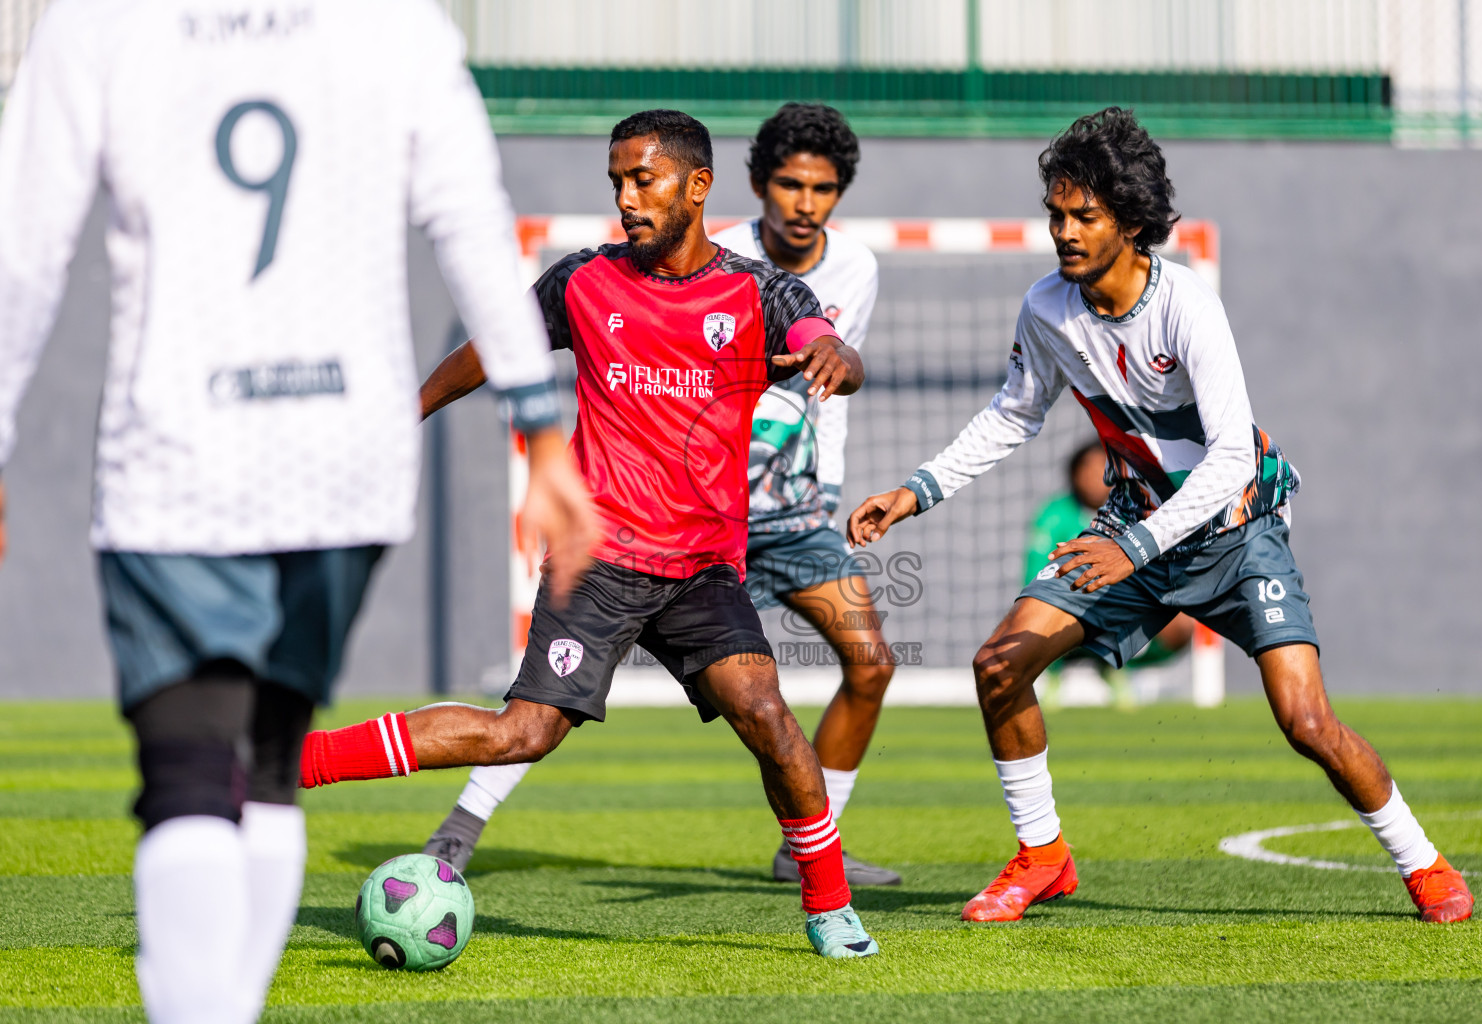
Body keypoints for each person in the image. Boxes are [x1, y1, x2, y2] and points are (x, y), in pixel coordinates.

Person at [0, 2, 593, 1021]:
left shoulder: (94, 21)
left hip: (175, 450)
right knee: (270, 758)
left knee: (190, 765)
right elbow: (472, 226)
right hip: (343, 456)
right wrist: (542, 430)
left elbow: (23, 247)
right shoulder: (394, 25)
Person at [846, 107, 1472, 925]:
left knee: (1308, 722)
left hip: (1236, 534)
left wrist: (1134, 548)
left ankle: (1423, 864)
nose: (1064, 233)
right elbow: (1012, 414)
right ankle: (1043, 856)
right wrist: (916, 490)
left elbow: (1231, 460)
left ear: (1132, 223)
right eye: (1057, 215)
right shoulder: (1047, 308)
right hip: (1133, 532)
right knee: (998, 666)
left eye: (1085, 217)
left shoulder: (1189, 306)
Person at [297, 110, 881, 959]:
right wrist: (405, 413)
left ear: (696, 185)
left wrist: (838, 359)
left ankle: (829, 909)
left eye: (642, 179)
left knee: (766, 711)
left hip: (702, 569)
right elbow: (497, 348)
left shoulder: (759, 291)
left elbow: (826, 340)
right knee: (521, 734)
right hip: (599, 561)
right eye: (616, 182)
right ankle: (289, 763)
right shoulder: (585, 282)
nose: (626, 198)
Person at [421, 102, 902, 887]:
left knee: (871, 660)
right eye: (788, 186)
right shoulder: (687, 249)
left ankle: (812, 848)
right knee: (545, 709)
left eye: (822, 190)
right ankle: (461, 827)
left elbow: (829, 368)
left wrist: (830, 428)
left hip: (787, 511)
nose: (804, 204)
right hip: (659, 519)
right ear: (748, 188)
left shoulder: (854, 270)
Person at [1028, 441, 1195, 706]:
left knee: (1182, 624)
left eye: (1102, 471)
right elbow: (1032, 572)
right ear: (1075, 474)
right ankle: (1053, 672)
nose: (1097, 479)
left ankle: (1117, 666)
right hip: (1067, 608)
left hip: (1122, 608)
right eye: (1089, 471)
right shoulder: (1055, 513)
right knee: (1033, 612)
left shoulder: (1136, 509)